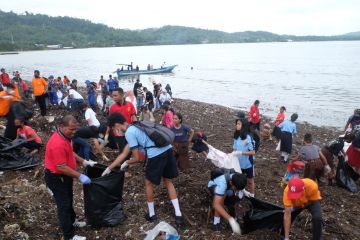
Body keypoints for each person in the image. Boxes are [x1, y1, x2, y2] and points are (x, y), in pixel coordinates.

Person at [102, 112, 184, 227]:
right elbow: (125, 152)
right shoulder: (136, 126)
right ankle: (178, 214)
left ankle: (151, 214)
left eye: (114, 128)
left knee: (148, 183)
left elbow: (136, 158)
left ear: (116, 124)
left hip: (156, 155)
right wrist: (109, 168)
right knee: (168, 181)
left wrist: (126, 162)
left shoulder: (129, 133)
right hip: (168, 150)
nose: (115, 131)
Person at [44, 115, 96, 240]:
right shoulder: (57, 143)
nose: (74, 132)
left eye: (75, 129)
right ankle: (69, 236)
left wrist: (83, 161)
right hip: (56, 177)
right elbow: (61, 167)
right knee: (64, 205)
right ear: (61, 126)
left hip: (65, 176)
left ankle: (72, 221)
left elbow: (70, 152)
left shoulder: (65, 137)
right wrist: (80, 176)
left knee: (69, 198)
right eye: (71, 129)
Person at [232, 118, 256, 196]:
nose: (237, 125)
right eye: (237, 123)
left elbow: (253, 152)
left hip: (247, 164)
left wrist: (241, 152)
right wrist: (232, 154)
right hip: (238, 163)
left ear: (244, 126)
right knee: (238, 179)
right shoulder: (236, 136)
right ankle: (240, 192)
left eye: (239, 124)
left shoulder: (248, 137)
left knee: (250, 181)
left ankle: (252, 195)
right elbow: (235, 148)